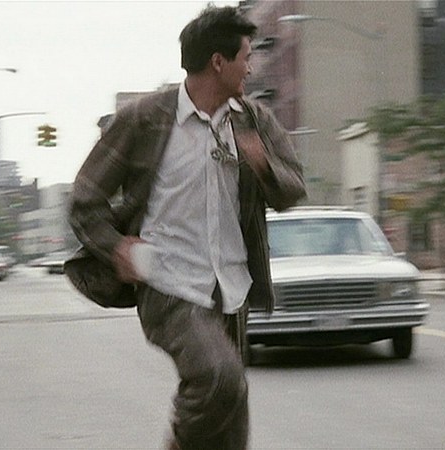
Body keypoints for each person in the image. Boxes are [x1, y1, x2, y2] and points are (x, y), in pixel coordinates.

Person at [68, 6, 306, 449]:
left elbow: (293, 190)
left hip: (231, 288)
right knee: (218, 378)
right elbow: (85, 198)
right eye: (245, 57)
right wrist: (115, 247)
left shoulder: (254, 121)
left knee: (230, 419)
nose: (250, 68)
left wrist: (262, 165)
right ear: (218, 62)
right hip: (168, 284)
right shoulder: (143, 119)